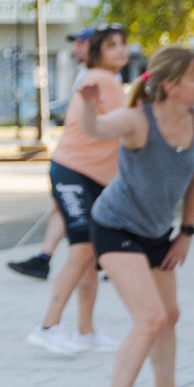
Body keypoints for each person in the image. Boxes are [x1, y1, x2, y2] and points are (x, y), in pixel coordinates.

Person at [77, 47, 194, 387]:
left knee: (169, 315)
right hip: (114, 226)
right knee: (151, 318)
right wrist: (88, 106)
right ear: (170, 86)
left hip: (158, 233)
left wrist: (186, 233)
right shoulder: (138, 121)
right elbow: (96, 128)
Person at [27, 25, 130, 355]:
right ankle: (47, 326)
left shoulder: (101, 80)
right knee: (83, 249)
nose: (120, 50)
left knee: (89, 256)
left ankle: (85, 331)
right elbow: (126, 126)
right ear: (97, 52)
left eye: (123, 45)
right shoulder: (103, 80)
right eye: (112, 46)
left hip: (92, 177)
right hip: (74, 171)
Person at [9, 27, 96, 279]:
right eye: (76, 43)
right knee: (62, 205)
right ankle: (45, 258)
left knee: (87, 212)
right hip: (76, 155)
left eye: (83, 44)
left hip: (88, 158)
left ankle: (111, 256)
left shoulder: (98, 76)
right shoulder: (84, 73)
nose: (77, 48)